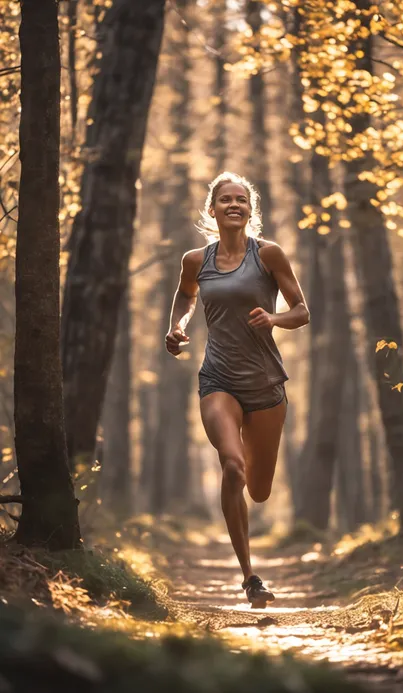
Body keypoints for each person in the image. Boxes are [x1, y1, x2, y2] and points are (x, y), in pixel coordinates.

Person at [165, 172, 309, 608]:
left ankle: (251, 487)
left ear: (250, 210)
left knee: (259, 488)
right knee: (232, 467)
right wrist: (176, 327)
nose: (233, 205)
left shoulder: (269, 255)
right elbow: (186, 297)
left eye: (241, 200)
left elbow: (302, 311)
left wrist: (274, 319)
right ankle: (250, 577)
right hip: (218, 379)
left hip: (265, 384)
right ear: (212, 210)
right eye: (225, 199)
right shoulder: (196, 260)